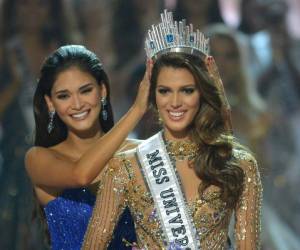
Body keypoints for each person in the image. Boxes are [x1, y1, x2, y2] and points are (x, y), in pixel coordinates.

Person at [82, 11, 262, 250]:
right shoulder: (124, 167)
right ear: (152, 95)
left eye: (187, 90)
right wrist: (137, 108)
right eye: (164, 91)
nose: (175, 102)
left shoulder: (239, 164)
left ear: (202, 94)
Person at [24, 45, 151, 249]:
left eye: (85, 91)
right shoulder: (38, 158)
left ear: (102, 90)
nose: (77, 104)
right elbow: (81, 175)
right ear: (50, 103)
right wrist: (137, 110)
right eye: (64, 96)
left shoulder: (142, 152)